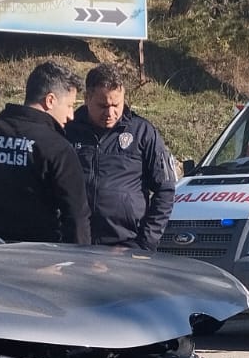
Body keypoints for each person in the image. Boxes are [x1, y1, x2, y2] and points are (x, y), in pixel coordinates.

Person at [0, 61, 88, 244]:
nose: (71, 115)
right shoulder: (57, 147)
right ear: (50, 100)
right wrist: (78, 258)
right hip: (42, 254)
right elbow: (76, 217)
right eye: (69, 105)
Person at [64, 62, 176, 250]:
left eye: (116, 105)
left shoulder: (143, 132)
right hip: (75, 245)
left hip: (127, 246)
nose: (110, 113)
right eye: (103, 106)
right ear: (87, 98)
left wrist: (145, 244)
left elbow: (165, 190)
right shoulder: (68, 130)